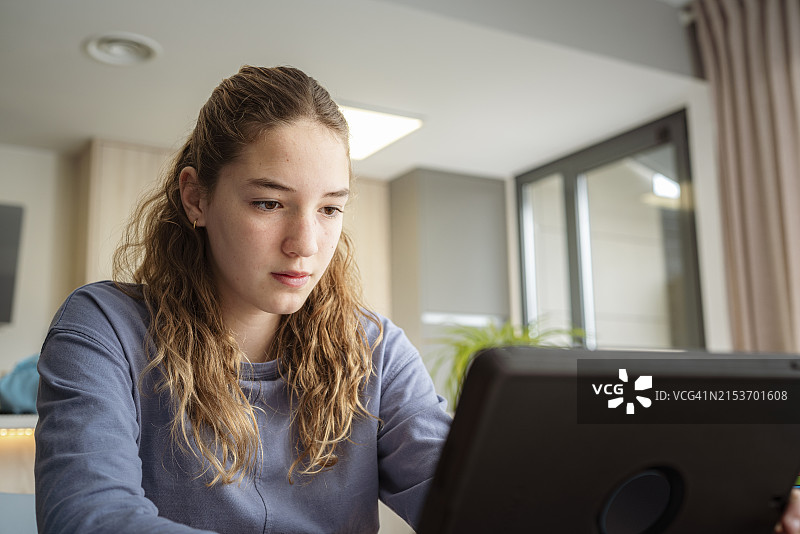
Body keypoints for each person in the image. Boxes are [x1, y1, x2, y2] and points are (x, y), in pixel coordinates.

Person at [34, 65, 451, 533]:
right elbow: (89, 519)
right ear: (195, 198)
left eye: (330, 208)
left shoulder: (376, 350)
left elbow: (467, 496)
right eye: (269, 203)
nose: (306, 244)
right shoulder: (105, 329)